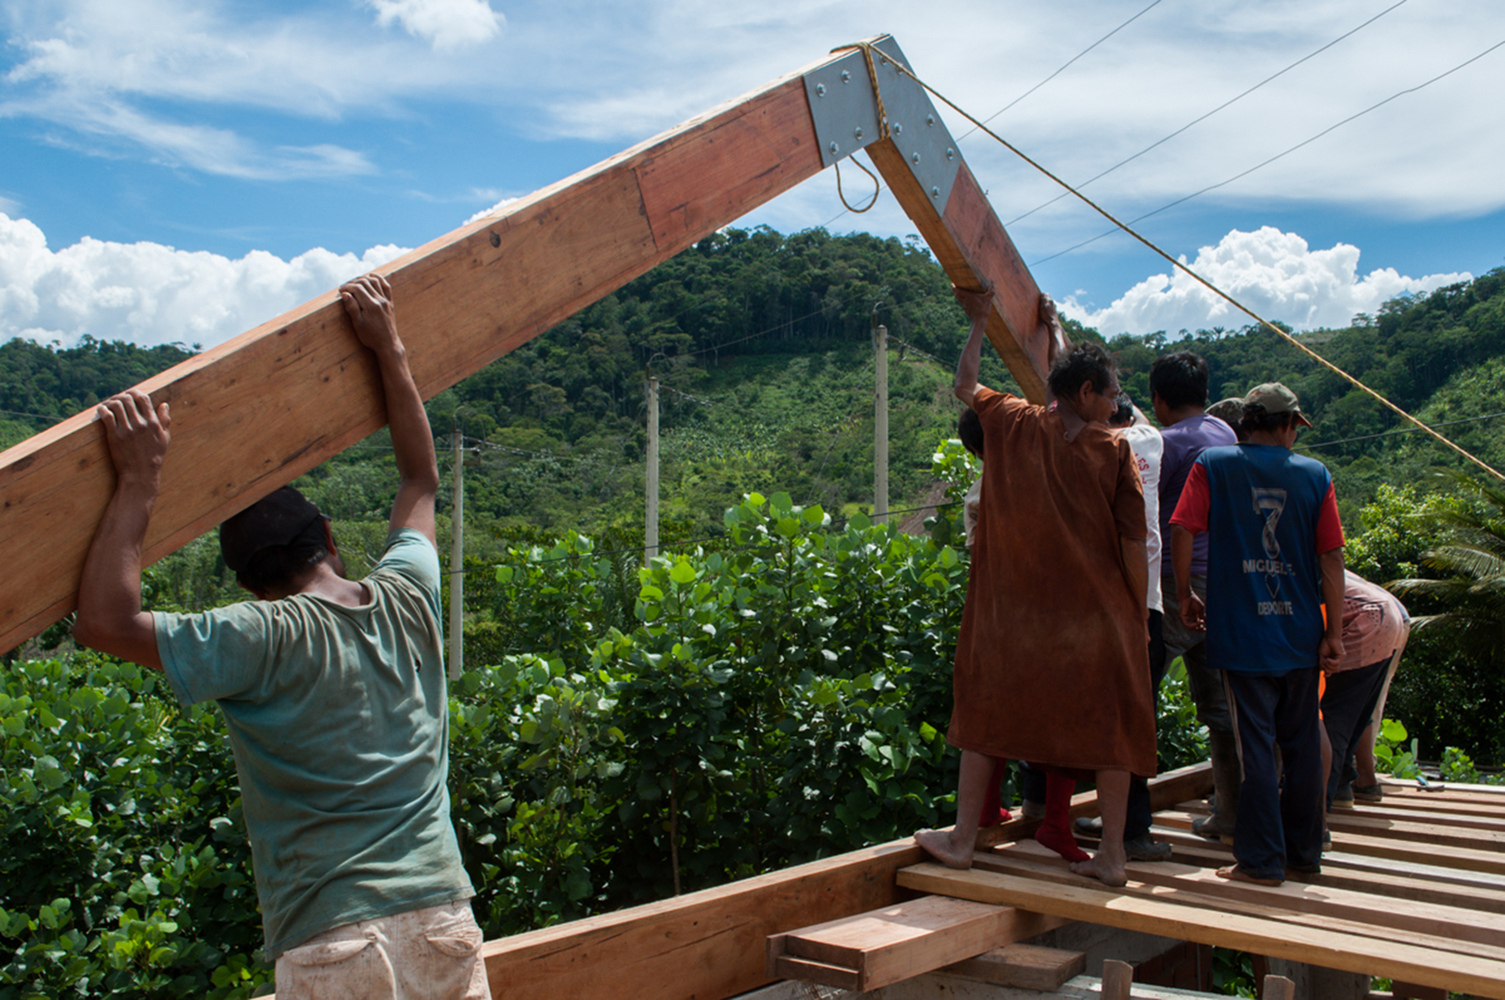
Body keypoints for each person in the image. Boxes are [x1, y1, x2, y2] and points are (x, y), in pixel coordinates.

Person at [73, 274, 491, 1000]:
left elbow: (104, 623)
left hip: (333, 938)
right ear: (327, 535)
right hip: (440, 920)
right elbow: (419, 479)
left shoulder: (253, 637)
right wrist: (386, 345)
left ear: (244, 582)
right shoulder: (408, 594)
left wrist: (140, 478)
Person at [915, 286, 1156, 888]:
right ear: (1088, 395)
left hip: (1014, 615)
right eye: (1111, 391)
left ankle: (964, 839)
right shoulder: (1113, 451)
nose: (1116, 400)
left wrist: (978, 323)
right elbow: (1134, 543)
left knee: (986, 713)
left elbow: (966, 385)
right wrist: (1134, 612)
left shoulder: (1013, 423)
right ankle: (1113, 859)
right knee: (1110, 729)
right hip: (1095, 619)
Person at [1170, 382, 1345, 886]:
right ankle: (1304, 855)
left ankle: (1262, 861)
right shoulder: (1316, 475)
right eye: (1295, 428)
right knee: (1302, 744)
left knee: (1257, 750)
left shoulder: (1214, 465)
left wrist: (1185, 594)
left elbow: (1183, 528)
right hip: (1299, 635)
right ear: (1287, 424)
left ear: (1247, 422)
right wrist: (1332, 633)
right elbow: (1330, 557)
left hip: (1243, 637)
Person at [1152, 353, 1240, 841]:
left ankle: (1126, 820)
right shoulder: (1225, 436)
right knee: (1222, 707)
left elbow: (1150, 510)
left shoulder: (1165, 445)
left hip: (1176, 583)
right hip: (1222, 583)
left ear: (1159, 399)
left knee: (1136, 696)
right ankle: (1232, 813)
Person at [1326, 572, 1409, 808]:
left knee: (1330, 716)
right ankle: (1343, 785)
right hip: (1393, 616)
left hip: (1366, 617)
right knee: (1357, 710)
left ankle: (1314, 811)